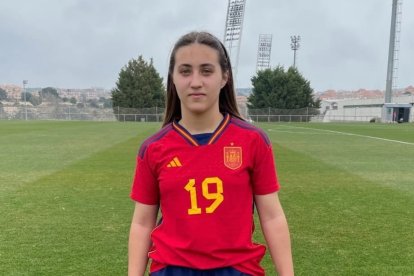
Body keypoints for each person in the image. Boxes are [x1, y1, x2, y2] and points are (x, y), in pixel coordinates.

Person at [128, 31, 294, 276]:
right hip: (172, 270)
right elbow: (142, 223)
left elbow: (271, 216)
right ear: (173, 78)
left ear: (224, 77)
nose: (196, 81)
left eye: (206, 71)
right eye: (185, 71)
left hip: (237, 270)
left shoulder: (253, 141)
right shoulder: (153, 148)